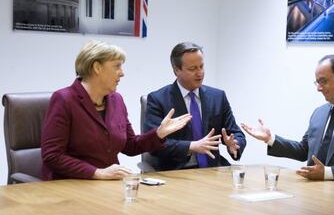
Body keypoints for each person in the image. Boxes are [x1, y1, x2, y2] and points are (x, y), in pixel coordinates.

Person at [41, 40, 191, 180]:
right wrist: (97, 173)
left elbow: (130, 146)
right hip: (69, 186)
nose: (122, 73)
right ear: (97, 67)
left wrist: (159, 134)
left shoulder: (116, 100)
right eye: (117, 66)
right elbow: (52, 156)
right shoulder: (64, 99)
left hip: (107, 185)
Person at [241, 55, 334, 186]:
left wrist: (326, 173)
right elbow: (304, 151)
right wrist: (270, 139)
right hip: (317, 192)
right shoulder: (320, 113)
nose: (318, 88)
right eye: (317, 82)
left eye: (323, 81)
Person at [144, 42, 246, 170]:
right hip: (176, 173)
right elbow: (153, 145)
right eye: (193, 69)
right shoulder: (158, 99)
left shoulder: (218, 97)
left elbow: (236, 133)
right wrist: (191, 146)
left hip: (212, 169)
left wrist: (235, 144)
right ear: (177, 70)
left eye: (201, 66)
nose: (200, 73)